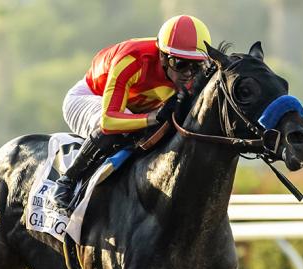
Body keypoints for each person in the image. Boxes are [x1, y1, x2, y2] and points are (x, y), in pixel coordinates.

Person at [55, 14, 212, 216]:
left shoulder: (191, 73)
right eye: (180, 64)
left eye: (196, 65)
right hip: (89, 98)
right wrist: (154, 117)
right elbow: (109, 121)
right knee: (125, 128)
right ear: (163, 57)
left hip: (134, 108)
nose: (188, 73)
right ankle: (67, 182)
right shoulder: (133, 59)